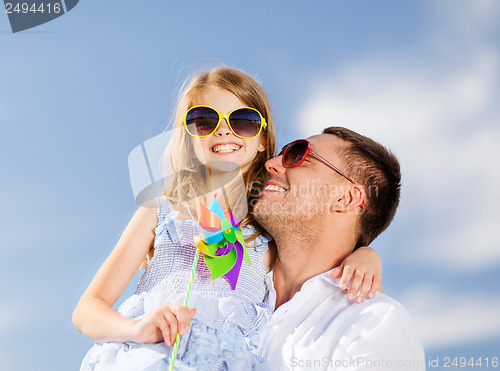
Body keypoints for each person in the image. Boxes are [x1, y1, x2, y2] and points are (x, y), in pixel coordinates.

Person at [73, 68, 383, 371]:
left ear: (263, 139)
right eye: (204, 121)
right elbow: (87, 310)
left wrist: (366, 254)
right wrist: (138, 329)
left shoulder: (269, 225)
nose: (224, 130)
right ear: (190, 139)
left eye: (243, 121)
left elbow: (316, 254)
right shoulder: (162, 210)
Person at [254, 127, 425, 371]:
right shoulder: (225, 284)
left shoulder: (373, 323)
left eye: (298, 154)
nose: (271, 163)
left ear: (346, 198)